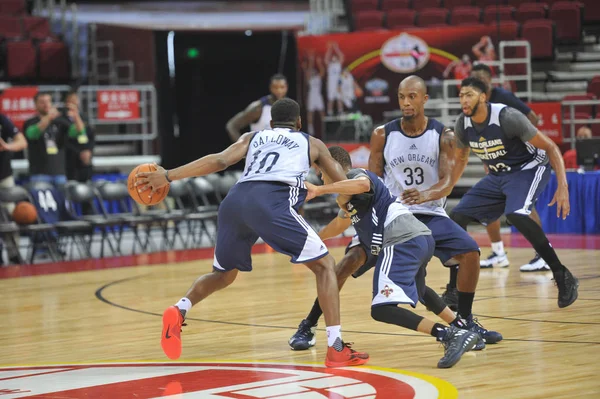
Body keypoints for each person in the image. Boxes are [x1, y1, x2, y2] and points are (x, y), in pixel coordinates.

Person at [136, 98, 369, 367]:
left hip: (234, 202)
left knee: (222, 275)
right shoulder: (311, 142)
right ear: (299, 123)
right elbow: (341, 181)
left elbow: (220, 160)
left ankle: (179, 310)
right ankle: (336, 347)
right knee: (326, 265)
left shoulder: (253, 136)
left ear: (270, 124)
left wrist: (168, 176)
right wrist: (363, 187)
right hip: (271, 201)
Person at [290, 146, 484, 369]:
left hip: (401, 239)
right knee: (421, 291)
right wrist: (312, 239)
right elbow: (339, 224)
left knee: (381, 309)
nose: (320, 177)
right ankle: (461, 328)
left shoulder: (355, 176)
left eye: (321, 172)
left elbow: (362, 184)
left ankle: (448, 335)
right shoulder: (347, 196)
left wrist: (320, 189)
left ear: (329, 166)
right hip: (418, 238)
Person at [368, 76, 502, 343]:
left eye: (412, 97)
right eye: (402, 97)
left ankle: (465, 321)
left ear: (424, 98)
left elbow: (447, 182)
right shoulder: (382, 134)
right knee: (346, 264)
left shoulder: (443, 135)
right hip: (398, 216)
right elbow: (373, 181)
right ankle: (312, 324)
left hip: (430, 213)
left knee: (470, 252)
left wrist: (425, 195)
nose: (406, 102)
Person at [450, 77, 579, 308]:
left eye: (468, 94)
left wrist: (563, 186)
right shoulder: (462, 123)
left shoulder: (507, 117)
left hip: (529, 168)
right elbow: (460, 160)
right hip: (499, 175)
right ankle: (453, 289)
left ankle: (562, 274)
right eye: (460, 95)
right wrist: (443, 189)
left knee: (517, 213)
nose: (463, 100)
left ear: (482, 97)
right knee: (457, 216)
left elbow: (550, 146)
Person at [468, 63, 548, 273]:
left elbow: (533, 117)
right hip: (496, 162)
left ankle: (544, 255)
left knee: (525, 207)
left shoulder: (503, 97)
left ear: (489, 82)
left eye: (481, 80)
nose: (478, 84)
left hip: (518, 162)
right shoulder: (473, 106)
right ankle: (498, 253)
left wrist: (523, 146)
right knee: (490, 206)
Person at [23, 92, 87, 187]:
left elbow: (80, 132)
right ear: (35, 105)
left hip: (59, 173)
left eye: (48, 101)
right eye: (42, 102)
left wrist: (76, 116)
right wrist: (49, 117)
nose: (46, 104)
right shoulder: (30, 122)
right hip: (39, 174)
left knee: (62, 200)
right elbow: (32, 134)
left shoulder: (60, 122)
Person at [225, 74, 288, 143]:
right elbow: (231, 126)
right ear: (270, 87)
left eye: (282, 87)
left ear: (287, 87)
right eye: (275, 87)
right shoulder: (259, 107)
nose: (279, 90)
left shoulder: (290, 107)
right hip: (261, 151)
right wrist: (244, 148)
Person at [0, 111, 27, 265]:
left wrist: (7, 146)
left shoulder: (2, 119)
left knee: (10, 214)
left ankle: (14, 253)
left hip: (4, 176)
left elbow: (22, 142)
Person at [62, 90, 94, 183]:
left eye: (75, 99)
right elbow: (66, 139)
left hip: (85, 160)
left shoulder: (84, 118)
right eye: (71, 100)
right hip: (69, 160)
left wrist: (89, 151)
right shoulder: (62, 119)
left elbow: (90, 137)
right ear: (66, 103)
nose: (74, 102)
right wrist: (79, 152)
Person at [304, 52, 326, 136]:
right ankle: (310, 129)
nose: (312, 72)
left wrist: (319, 63)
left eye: (313, 71)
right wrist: (311, 60)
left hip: (318, 96)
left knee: (322, 112)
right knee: (310, 113)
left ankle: (325, 128)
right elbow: (309, 70)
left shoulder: (318, 77)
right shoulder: (309, 78)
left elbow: (322, 71)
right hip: (311, 96)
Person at [325, 42, 344, 116]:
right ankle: (330, 113)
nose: (333, 58)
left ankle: (340, 112)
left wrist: (336, 48)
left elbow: (341, 56)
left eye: (335, 57)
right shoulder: (329, 65)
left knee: (339, 99)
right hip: (331, 85)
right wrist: (330, 49)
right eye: (332, 57)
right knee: (331, 99)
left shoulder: (338, 64)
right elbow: (326, 59)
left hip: (337, 84)